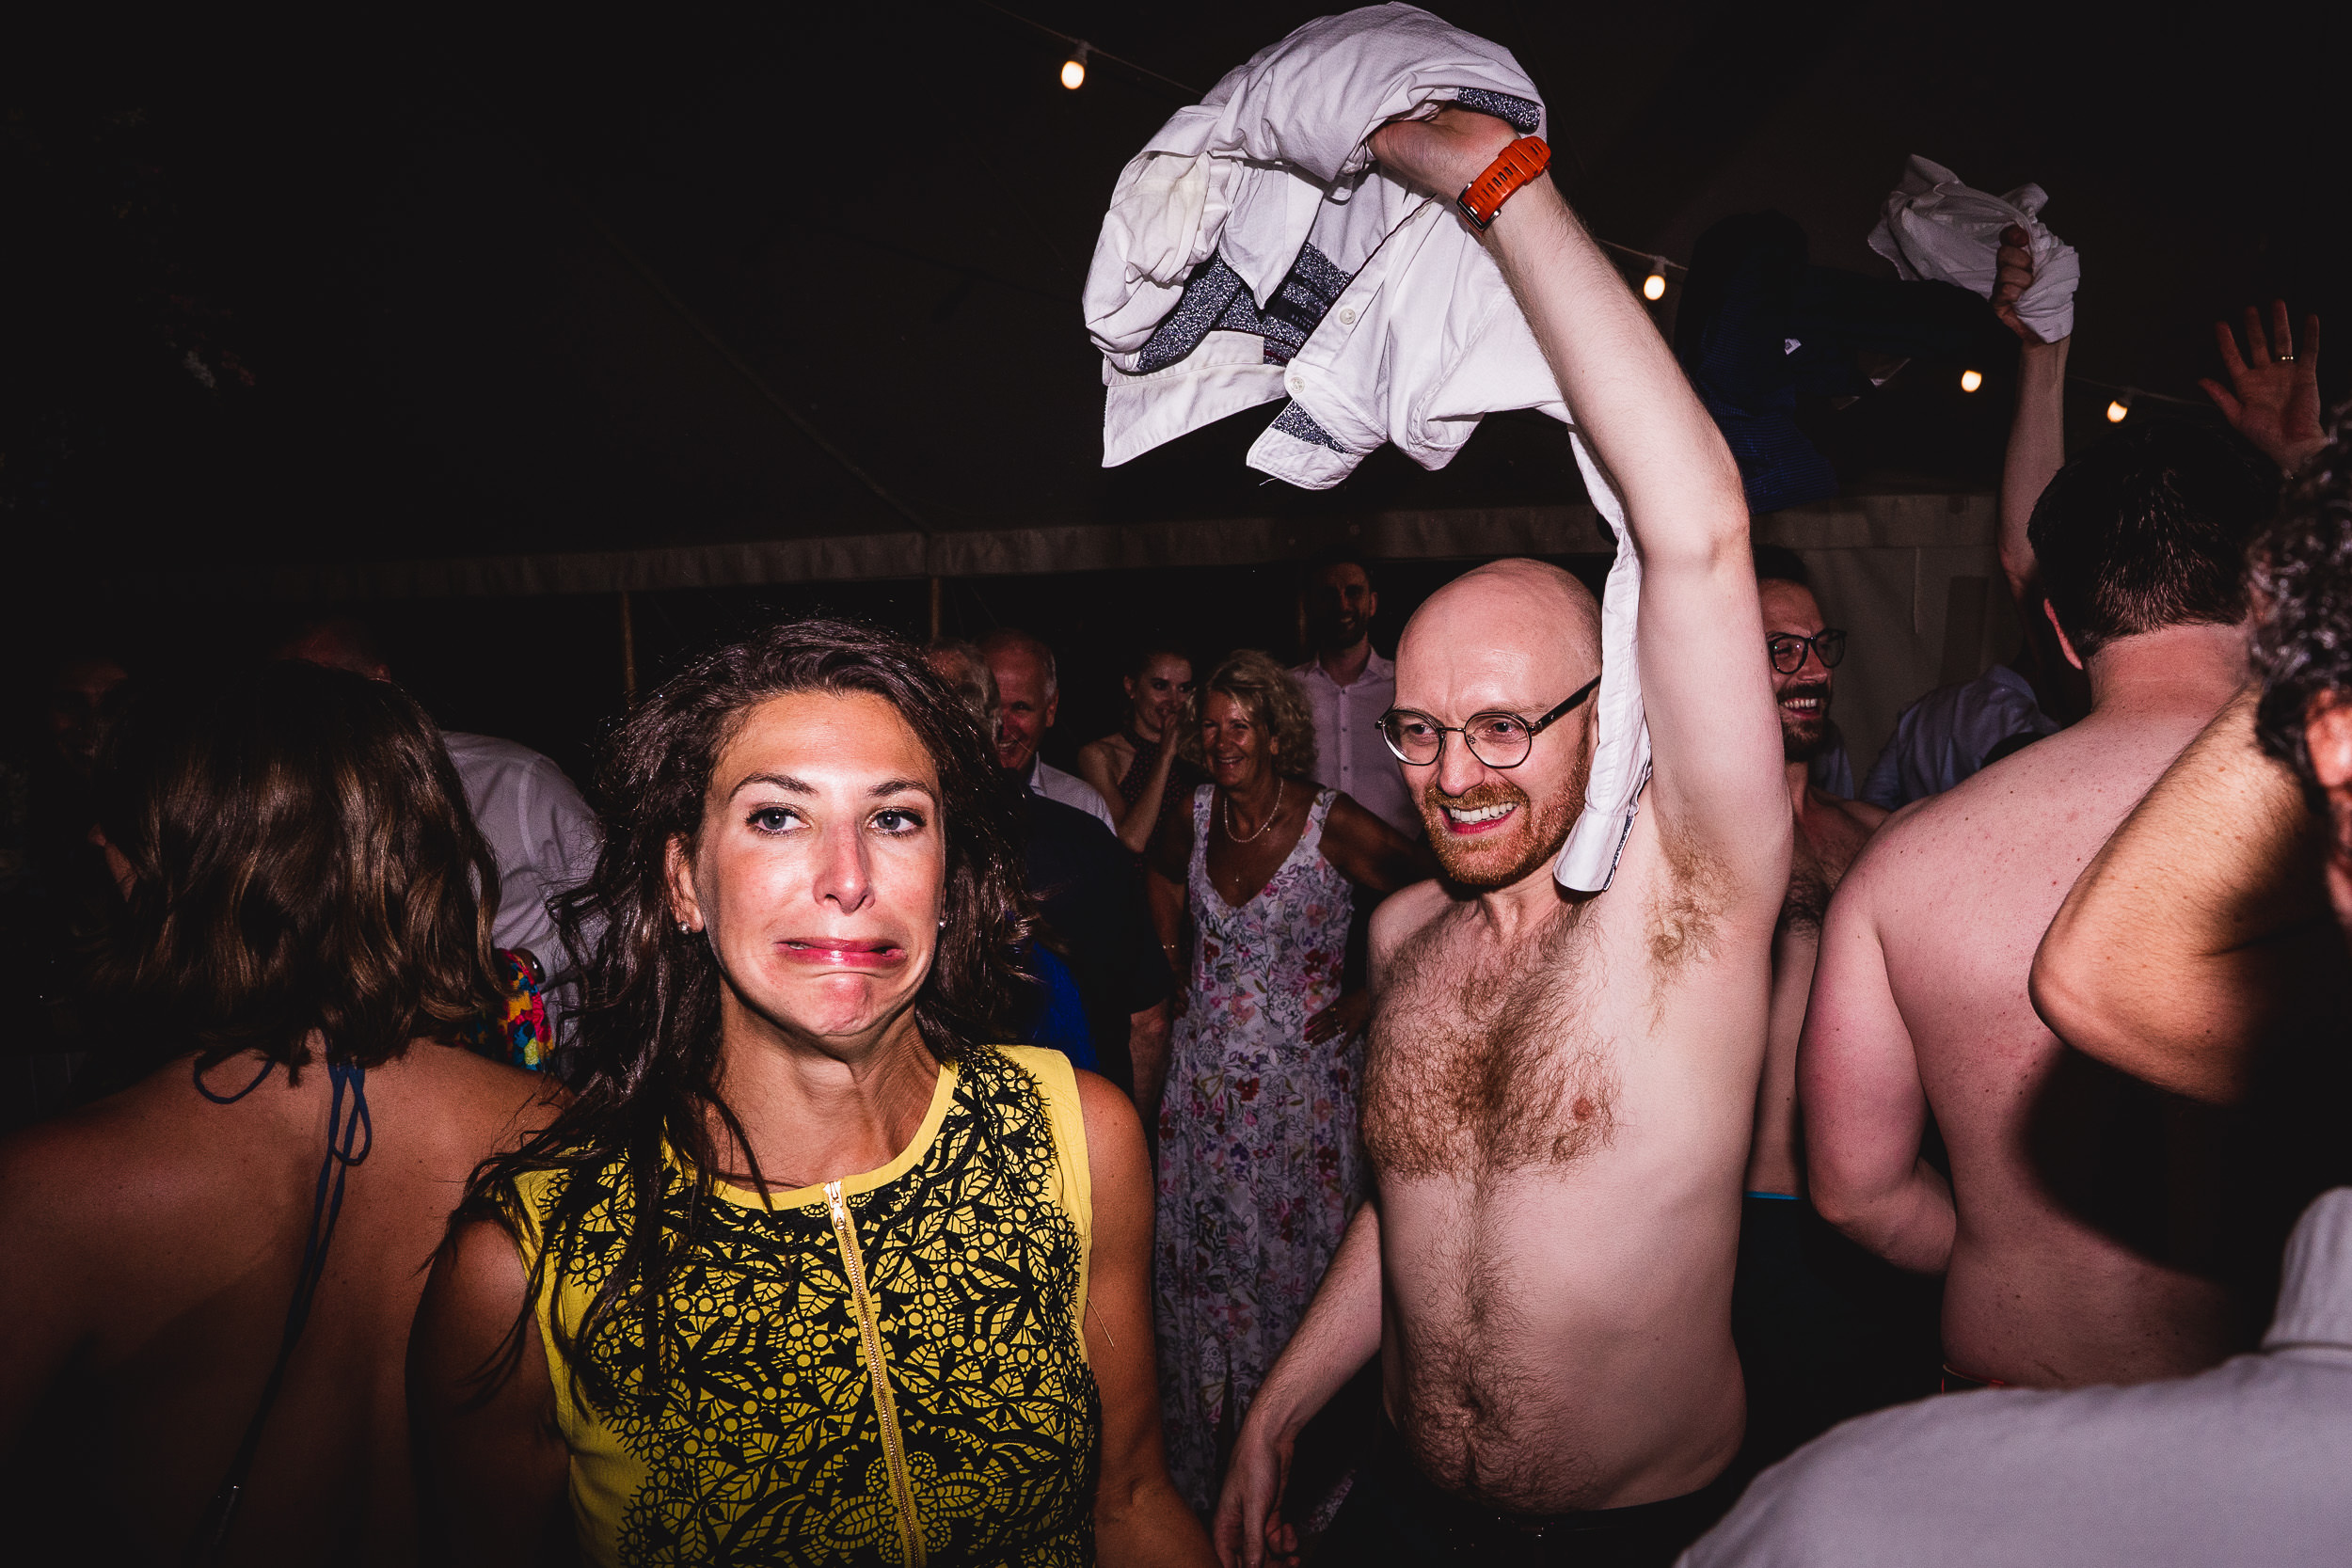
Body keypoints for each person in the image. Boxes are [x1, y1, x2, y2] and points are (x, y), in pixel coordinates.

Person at [1220, 105, 1791, 1568]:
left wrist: (1500, 186)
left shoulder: (1693, 903)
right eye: (1416, 730)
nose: (1451, 774)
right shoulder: (1405, 932)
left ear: (1608, 717)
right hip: (1412, 1516)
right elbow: (1419, 1197)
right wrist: (1281, 1407)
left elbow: (1699, 534)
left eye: (1503, 726)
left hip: (1642, 1535)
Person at [410, 618, 1213, 1566]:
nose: (849, 877)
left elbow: (1128, 1498)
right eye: (777, 816)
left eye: (896, 817)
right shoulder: (527, 1260)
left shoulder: (1075, 1133)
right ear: (683, 879)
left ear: (948, 876)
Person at [0, 660, 556, 1563]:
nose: (101, 839)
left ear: (184, 860)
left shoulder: (49, 1191)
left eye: (132, 822)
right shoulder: (564, 1136)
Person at [1802, 414, 2276, 1391]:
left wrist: (2014, 1264)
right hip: (2280, 1413)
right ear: (2269, 591)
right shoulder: (2330, 825)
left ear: (2056, 628)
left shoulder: (1907, 862)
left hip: (2010, 1392)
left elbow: (1857, 1193)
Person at [1677, 1184, 2352, 1568]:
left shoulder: (1841, 1509)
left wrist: (2013, 1270)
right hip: (2213, 1365)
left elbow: (1863, 1193)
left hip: (2000, 1363)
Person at [1143, 649, 1423, 1518]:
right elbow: (1155, 888)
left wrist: (1371, 994)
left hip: (1301, 1108)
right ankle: (1203, 1488)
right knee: (1203, 1295)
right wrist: (1172, 963)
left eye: (1241, 725)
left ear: (1274, 733)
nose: (1224, 742)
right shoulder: (1191, 816)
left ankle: (1306, 1488)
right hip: (1200, 1103)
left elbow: (1430, 891)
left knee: (1294, 1288)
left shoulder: (1328, 821)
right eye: (1212, 726)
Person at [1730, 547, 1926, 1468]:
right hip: (1743, 1230)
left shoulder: (1876, 834)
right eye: (1780, 649)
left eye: (1819, 646)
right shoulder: (1688, 848)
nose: (1813, 670)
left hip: (1882, 1221)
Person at [278, 617, 601, 1037]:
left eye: (323, 694)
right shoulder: (290, 809)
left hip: (538, 1069)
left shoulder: (517, 781)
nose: (305, 719)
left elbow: (614, 909)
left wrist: (526, 966)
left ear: (380, 686)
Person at [1856, 226, 2083, 812]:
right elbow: (2031, 561)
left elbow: (1879, 798)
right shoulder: (2054, 720)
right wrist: (2045, 349)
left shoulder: (1923, 714)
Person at [930, 638, 1174, 1098]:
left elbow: (1147, 1017)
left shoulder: (1084, 820)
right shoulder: (1081, 839)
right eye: (999, 708)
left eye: (1021, 706)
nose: (1007, 724)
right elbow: (1149, 1021)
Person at [1290, 551, 1418, 839]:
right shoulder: (1286, 689)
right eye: (1329, 594)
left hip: (1396, 863)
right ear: (1310, 605)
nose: (1342, 604)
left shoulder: (1406, 684)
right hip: (1311, 868)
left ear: (1372, 603)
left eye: (1353, 592)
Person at [979, 626, 1119, 832]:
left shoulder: (1082, 805)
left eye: (1020, 708)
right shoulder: (940, 797)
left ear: (1051, 709)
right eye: (990, 707)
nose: (1003, 726)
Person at [1079, 644, 1200, 854]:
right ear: (1131, 687)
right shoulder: (1100, 755)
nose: (1174, 701)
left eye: (1183, 689)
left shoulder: (1198, 753)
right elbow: (1131, 839)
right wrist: (1165, 755)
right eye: (1160, 686)